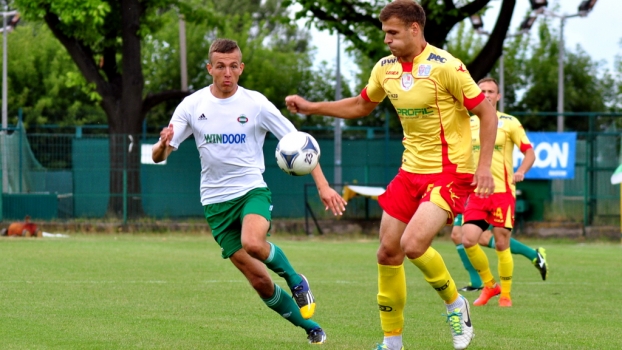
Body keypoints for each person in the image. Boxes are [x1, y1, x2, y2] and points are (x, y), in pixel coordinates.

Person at [285, 1, 498, 349]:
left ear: (415, 29)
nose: (387, 40)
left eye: (393, 33)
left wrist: (485, 165)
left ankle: (454, 304)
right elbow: (360, 105)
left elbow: (486, 114)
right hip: (409, 171)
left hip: (449, 172)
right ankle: (392, 342)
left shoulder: (448, 68)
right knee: (387, 252)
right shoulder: (385, 69)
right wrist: (312, 107)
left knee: (413, 245)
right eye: (385, 33)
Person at [152, 38, 347, 345]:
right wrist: (163, 144)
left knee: (253, 242)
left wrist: (323, 186)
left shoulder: (256, 104)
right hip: (215, 204)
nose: (226, 72)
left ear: (241, 69)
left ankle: (296, 280)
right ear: (209, 69)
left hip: (251, 190)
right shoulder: (192, 106)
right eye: (220, 66)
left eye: (233, 66)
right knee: (259, 282)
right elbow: (157, 157)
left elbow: (301, 143)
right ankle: (310, 327)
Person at [460, 77, 537, 308]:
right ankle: (490, 285)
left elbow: (529, 152)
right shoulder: (467, 123)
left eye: (491, 91)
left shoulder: (509, 122)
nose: (486, 94)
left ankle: (506, 295)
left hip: (502, 192)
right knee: (468, 239)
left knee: (502, 242)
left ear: (498, 96)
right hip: (476, 193)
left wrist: (521, 171)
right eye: (482, 90)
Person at [451, 213, 548, 293]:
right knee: (457, 235)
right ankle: (475, 282)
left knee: (483, 237)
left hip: (482, 195)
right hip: (467, 196)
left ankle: (534, 255)